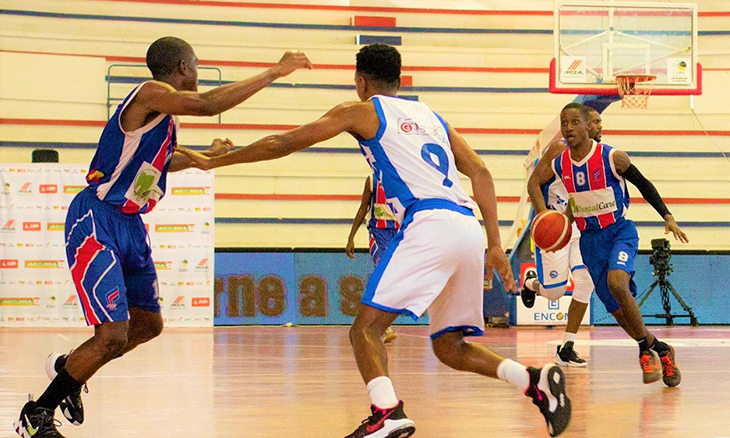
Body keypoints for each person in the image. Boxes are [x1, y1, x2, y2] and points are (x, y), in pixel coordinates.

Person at [178, 43, 572, 438]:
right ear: (399, 82)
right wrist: (494, 244)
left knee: (364, 329)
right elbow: (481, 172)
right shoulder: (433, 117)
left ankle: (387, 412)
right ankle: (533, 382)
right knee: (449, 346)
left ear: (361, 82)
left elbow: (282, 143)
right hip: (468, 224)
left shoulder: (361, 111)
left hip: (429, 221)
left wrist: (215, 161)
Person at [14, 36, 311, 438]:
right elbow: (208, 105)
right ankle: (36, 414)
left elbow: (163, 163)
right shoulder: (151, 93)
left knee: (148, 325)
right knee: (111, 336)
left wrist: (207, 157)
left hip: (130, 226)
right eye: (197, 65)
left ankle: (69, 367)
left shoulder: (162, 121)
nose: (199, 73)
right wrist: (275, 72)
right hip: (98, 220)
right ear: (184, 67)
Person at [528, 102, 688, 387]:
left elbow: (643, 183)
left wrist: (667, 215)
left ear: (589, 126)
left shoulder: (613, 157)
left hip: (619, 232)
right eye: (564, 123)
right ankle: (660, 349)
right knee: (617, 310)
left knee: (617, 283)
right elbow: (551, 190)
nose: (568, 127)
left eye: (575, 122)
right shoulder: (560, 162)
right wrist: (548, 218)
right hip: (590, 241)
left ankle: (643, 351)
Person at [520, 106, 603, 367]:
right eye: (596, 122)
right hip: (554, 229)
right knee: (554, 294)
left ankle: (566, 346)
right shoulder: (558, 151)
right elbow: (533, 184)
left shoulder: (602, 155)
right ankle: (531, 283)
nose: (601, 127)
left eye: (601, 122)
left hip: (579, 228)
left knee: (585, 282)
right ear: (587, 126)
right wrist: (547, 218)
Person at [346, 173, 400, 343]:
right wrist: (351, 236)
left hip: (400, 234)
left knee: (393, 280)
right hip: (379, 233)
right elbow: (363, 207)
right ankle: (380, 326)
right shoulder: (371, 180)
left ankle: (380, 323)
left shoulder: (404, 176)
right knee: (383, 274)